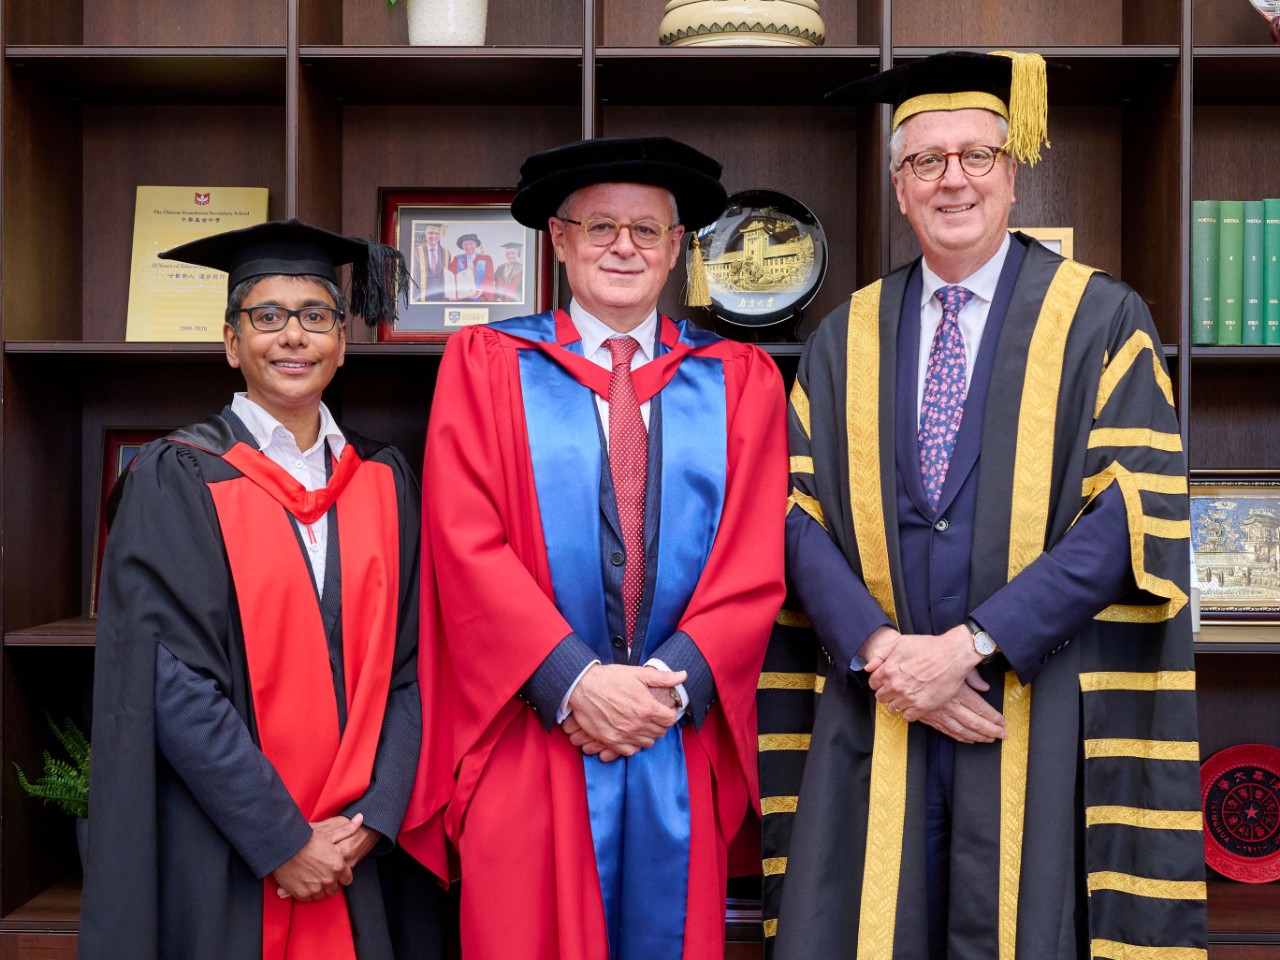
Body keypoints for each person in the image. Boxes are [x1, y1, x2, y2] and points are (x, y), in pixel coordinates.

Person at [761, 52, 1207, 959]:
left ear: (1013, 172)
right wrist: (889, 657)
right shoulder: (845, 336)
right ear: (898, 186)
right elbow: (790, 514)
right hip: (878, 708)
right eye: (927, 160)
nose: (952, 178)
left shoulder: (1100, 319)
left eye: (976, 156)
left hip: (1030, 703)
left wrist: (968, 648)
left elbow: (1132, 513)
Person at [398, 137, 788, 960]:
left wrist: (661, 696)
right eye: (600, 226)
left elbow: (753, 563)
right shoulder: (487, 363)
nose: (624, 247)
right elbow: (463, 542)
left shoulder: (740, 377)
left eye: (647, 231)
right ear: (559, 239)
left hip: (672, 735)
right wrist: (573, 683)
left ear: (678, 248)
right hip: (532, 731)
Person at [80, 220, 441, 960]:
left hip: (357, 852)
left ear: (341, 342)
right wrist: (282, 840)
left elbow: (415, 664)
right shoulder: (177, 477)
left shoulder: (384, 480)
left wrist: (373, 818)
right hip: (231, 850)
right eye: (267, 317)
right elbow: (170, 682)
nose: (293, 337)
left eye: (315, 316)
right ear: (230, 342)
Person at [445, 232, 494, 301]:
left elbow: (489, 278)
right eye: (465, 245)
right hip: (461, 298)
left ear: (476, 245)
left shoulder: (486, 259)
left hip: (480, 297)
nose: (468, 247)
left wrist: (480, 290)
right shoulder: (457, 259)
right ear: (462, 247)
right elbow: (451, 277)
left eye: (471, 244)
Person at [413, 222, 451, 300]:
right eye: (430, 233)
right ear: (426, 235)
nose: (433, 236)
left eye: (436, 233)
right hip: (421, 295)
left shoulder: (446, 253)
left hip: (440, 295)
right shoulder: (416, 252)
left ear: (439, 236)